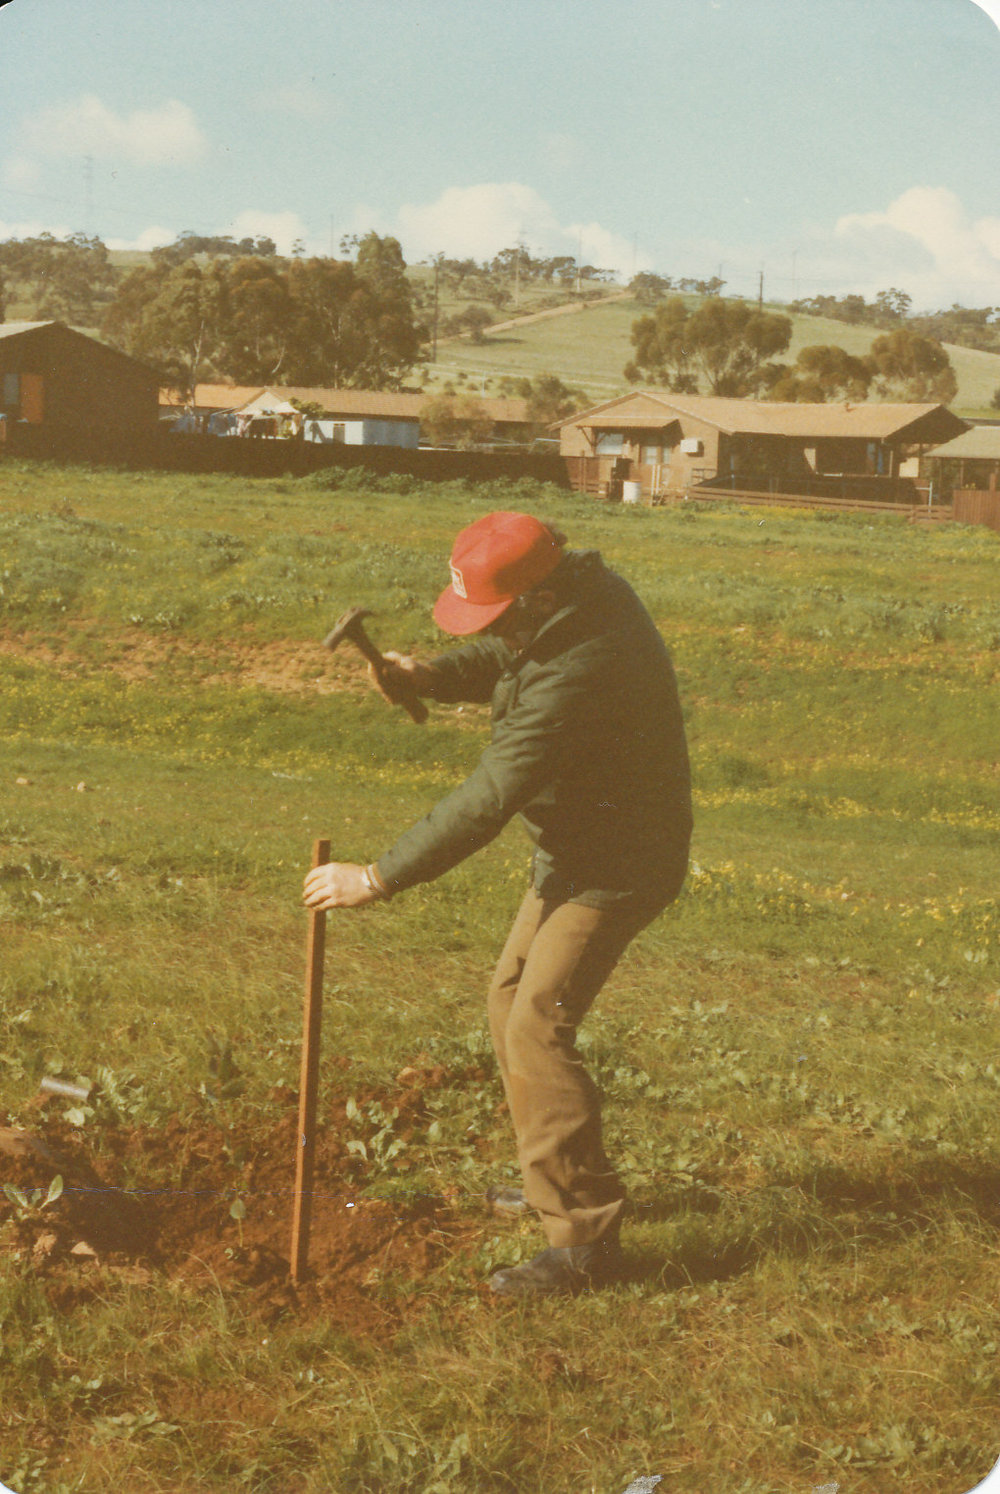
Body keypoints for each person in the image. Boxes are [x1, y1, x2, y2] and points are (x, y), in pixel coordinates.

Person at [303, 511, 692, 1297]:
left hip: (620, 861)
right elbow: (510, 655)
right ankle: (558, 1184)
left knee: (537, 1023)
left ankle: (583, 1242)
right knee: (509, 1002)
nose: (493, 630)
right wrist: (430, 676)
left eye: (497, 616)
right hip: (577, 849)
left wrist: (375, 877)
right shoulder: (569, 605)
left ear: (538, 597)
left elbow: (489, 797)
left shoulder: (585, 661)